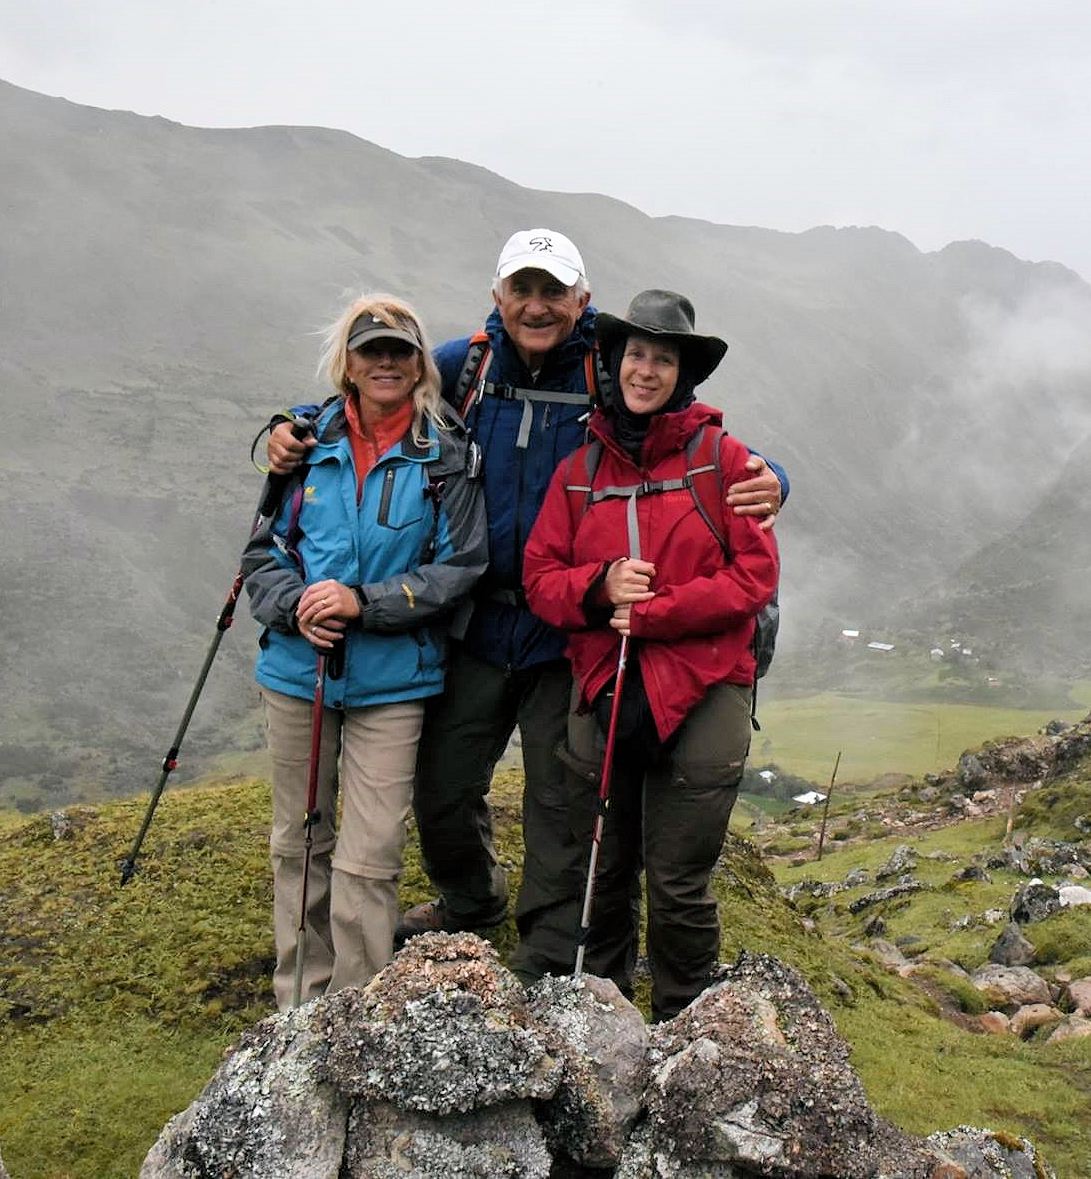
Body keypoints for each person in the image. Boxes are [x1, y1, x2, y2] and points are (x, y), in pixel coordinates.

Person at [262, 229, 785, 980]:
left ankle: (545, 953)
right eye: (523, 289)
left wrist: (776, 479)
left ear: (582, 299)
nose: (536, 306)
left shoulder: (608, 369)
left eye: (553, 291)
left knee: (561, 801)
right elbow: (371, 391)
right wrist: (291, 425)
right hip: (475, 620)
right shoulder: (463, 367)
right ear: (498, 296)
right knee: (443, 789)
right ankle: (471, 900)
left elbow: (688, 431)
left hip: (566, 630)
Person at [524, 288, 778, 1019]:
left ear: (683, 373)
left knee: (677, 881)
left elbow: (754, 576)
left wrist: (654, 612)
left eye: (662, 359)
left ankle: (684, 1027)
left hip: (706, 684)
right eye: (635, 354)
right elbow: (540, 577)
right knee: (603, 871)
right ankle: (604, 1021)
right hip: (605, 686)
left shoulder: (725, 461)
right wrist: (599, 587)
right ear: (613, 361)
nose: (645, 370)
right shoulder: (579, 472)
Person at [242, 294, 485, 1008]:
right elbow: (261, 554)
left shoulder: (445, 454)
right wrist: (296, 605)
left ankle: (356, 1012)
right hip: (297, 673)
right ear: (346, 364)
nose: (385, 362)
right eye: (370, 350)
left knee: (370, 854)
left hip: (394, 681)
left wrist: (361, 602)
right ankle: (299, 1005)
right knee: (298, 842)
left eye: (399, 351)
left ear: (419, 365)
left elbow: (460, 566)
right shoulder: (304, 444)